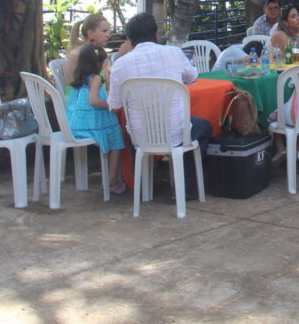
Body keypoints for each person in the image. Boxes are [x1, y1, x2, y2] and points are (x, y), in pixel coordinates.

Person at [107, 13, 211, 195]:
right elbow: (192, 76)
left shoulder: (120, 65)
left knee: (130, 128)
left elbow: (114, 105)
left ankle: (143, 186)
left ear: (130, 40)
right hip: (176, 131)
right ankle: (185, 184)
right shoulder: (174, 53)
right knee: (204, 127)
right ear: (156, 35)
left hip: (140, 136)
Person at [66, 45, 127, 194]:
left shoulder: (81, 78)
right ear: (98, 64)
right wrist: (110, 105)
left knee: (114, 131)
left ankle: (116, 177)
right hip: (92, 124)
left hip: (78, 124)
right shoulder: (96, 79)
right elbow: (94, 100)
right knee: (117, 138)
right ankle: (111, 179)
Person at [65, 14, 130, 91]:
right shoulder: (77, 54)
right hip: (80, 100)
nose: (108, 35)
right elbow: (74, 88)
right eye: (104, 31)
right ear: (90, 33)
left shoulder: (99, 53)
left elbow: (107, 82)